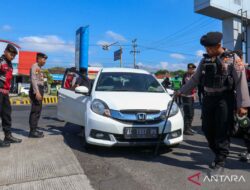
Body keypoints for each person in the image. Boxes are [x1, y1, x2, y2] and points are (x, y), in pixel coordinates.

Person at [176, 32, 250, 172]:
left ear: (218, 45)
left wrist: (243, 105)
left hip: (225, 99)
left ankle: (220, 161)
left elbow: (241, 81)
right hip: (209, 98)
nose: (207, 51)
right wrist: (181, 91)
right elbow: (195, 79)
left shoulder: (232, 58)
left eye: (210, 48)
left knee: (223, 129)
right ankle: (218, 153)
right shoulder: (204, 61)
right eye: (206, 49)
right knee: (207, 129)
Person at [0, 44, 22, 147]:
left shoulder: (9, 64)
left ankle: (8, 136)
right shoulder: (1, 61)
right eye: (10, 54)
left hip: (5, 93)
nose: (12, 57)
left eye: (14, 55)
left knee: (6, 115)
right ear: (5, 51)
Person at [29, 52, 48, 138]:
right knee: (35, 110)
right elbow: (33, 80)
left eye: (45, 60)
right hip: (36, 90)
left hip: (40, 89)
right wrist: (37, 92)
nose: (45, 61)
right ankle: (32, 131)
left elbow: (40, 80)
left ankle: (35, 129)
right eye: (43, 59)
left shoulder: (39, 68)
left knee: (38, 110)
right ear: (39, 59)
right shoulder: (35, 66)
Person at [181, 63, 197, 135]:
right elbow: (189, 84)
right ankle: (186, 129)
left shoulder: (192, 75)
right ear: (188, 69)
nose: (193, 70)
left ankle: (189, 128)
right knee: (188, 113)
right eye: (191, 69)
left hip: (191, 96)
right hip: (186, 96)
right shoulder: (186, 75)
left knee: (192, 113)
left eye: (193, 69)